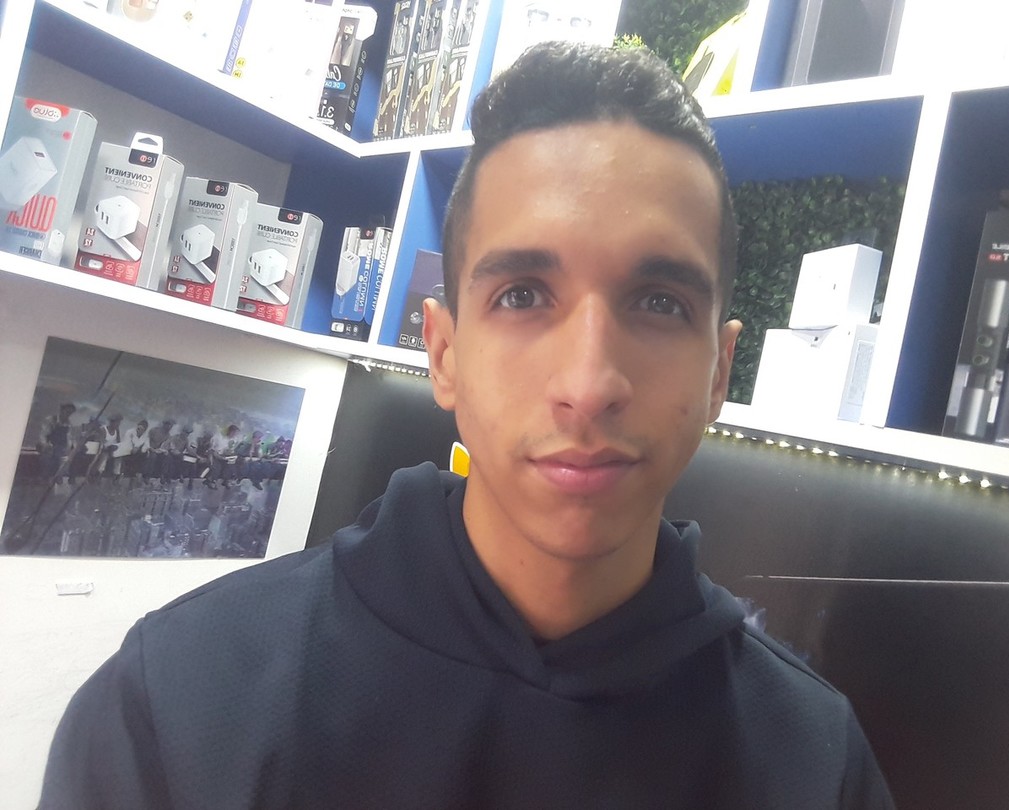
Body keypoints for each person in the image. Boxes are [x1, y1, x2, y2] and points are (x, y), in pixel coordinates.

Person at [40, 42, 894, 808]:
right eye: (522, 295)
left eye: (660, 303)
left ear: (718, 374)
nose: (588, 385)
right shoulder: (181, 705)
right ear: (444, 353)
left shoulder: (813, 763)